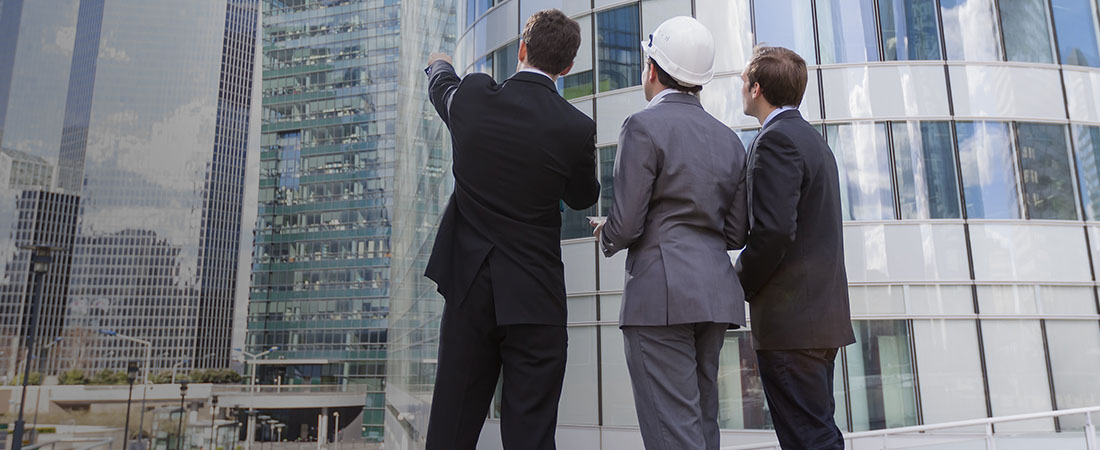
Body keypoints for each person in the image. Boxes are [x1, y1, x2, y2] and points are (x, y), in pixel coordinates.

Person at [421, 8, 599, 450]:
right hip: (535, 298)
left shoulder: (476, 97)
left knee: (451, 428)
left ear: (521, 48)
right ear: (567, 67)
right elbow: (583, 196)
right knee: (532, 435)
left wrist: (439, 61)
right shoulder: (575, 127)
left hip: (470, 292)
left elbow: (442, 87)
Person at [593, 16, 748, 450]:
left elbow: (625, 225)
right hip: (714, 295)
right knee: (701, 423)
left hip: (660, 296)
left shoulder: (642, 126)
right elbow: (735, 232)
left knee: (672, 432)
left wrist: (607, 234)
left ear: (653, 69)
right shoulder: (729, 139)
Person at [735, 45, 856, 450]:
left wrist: (736, 281)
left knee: (808, 438)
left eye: (742, 82)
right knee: (818, 432)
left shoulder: (776, 141)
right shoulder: (813, 141)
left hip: (792, 326)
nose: (741, 89)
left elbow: (773, 233)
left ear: (756, 88)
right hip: (820, 321)